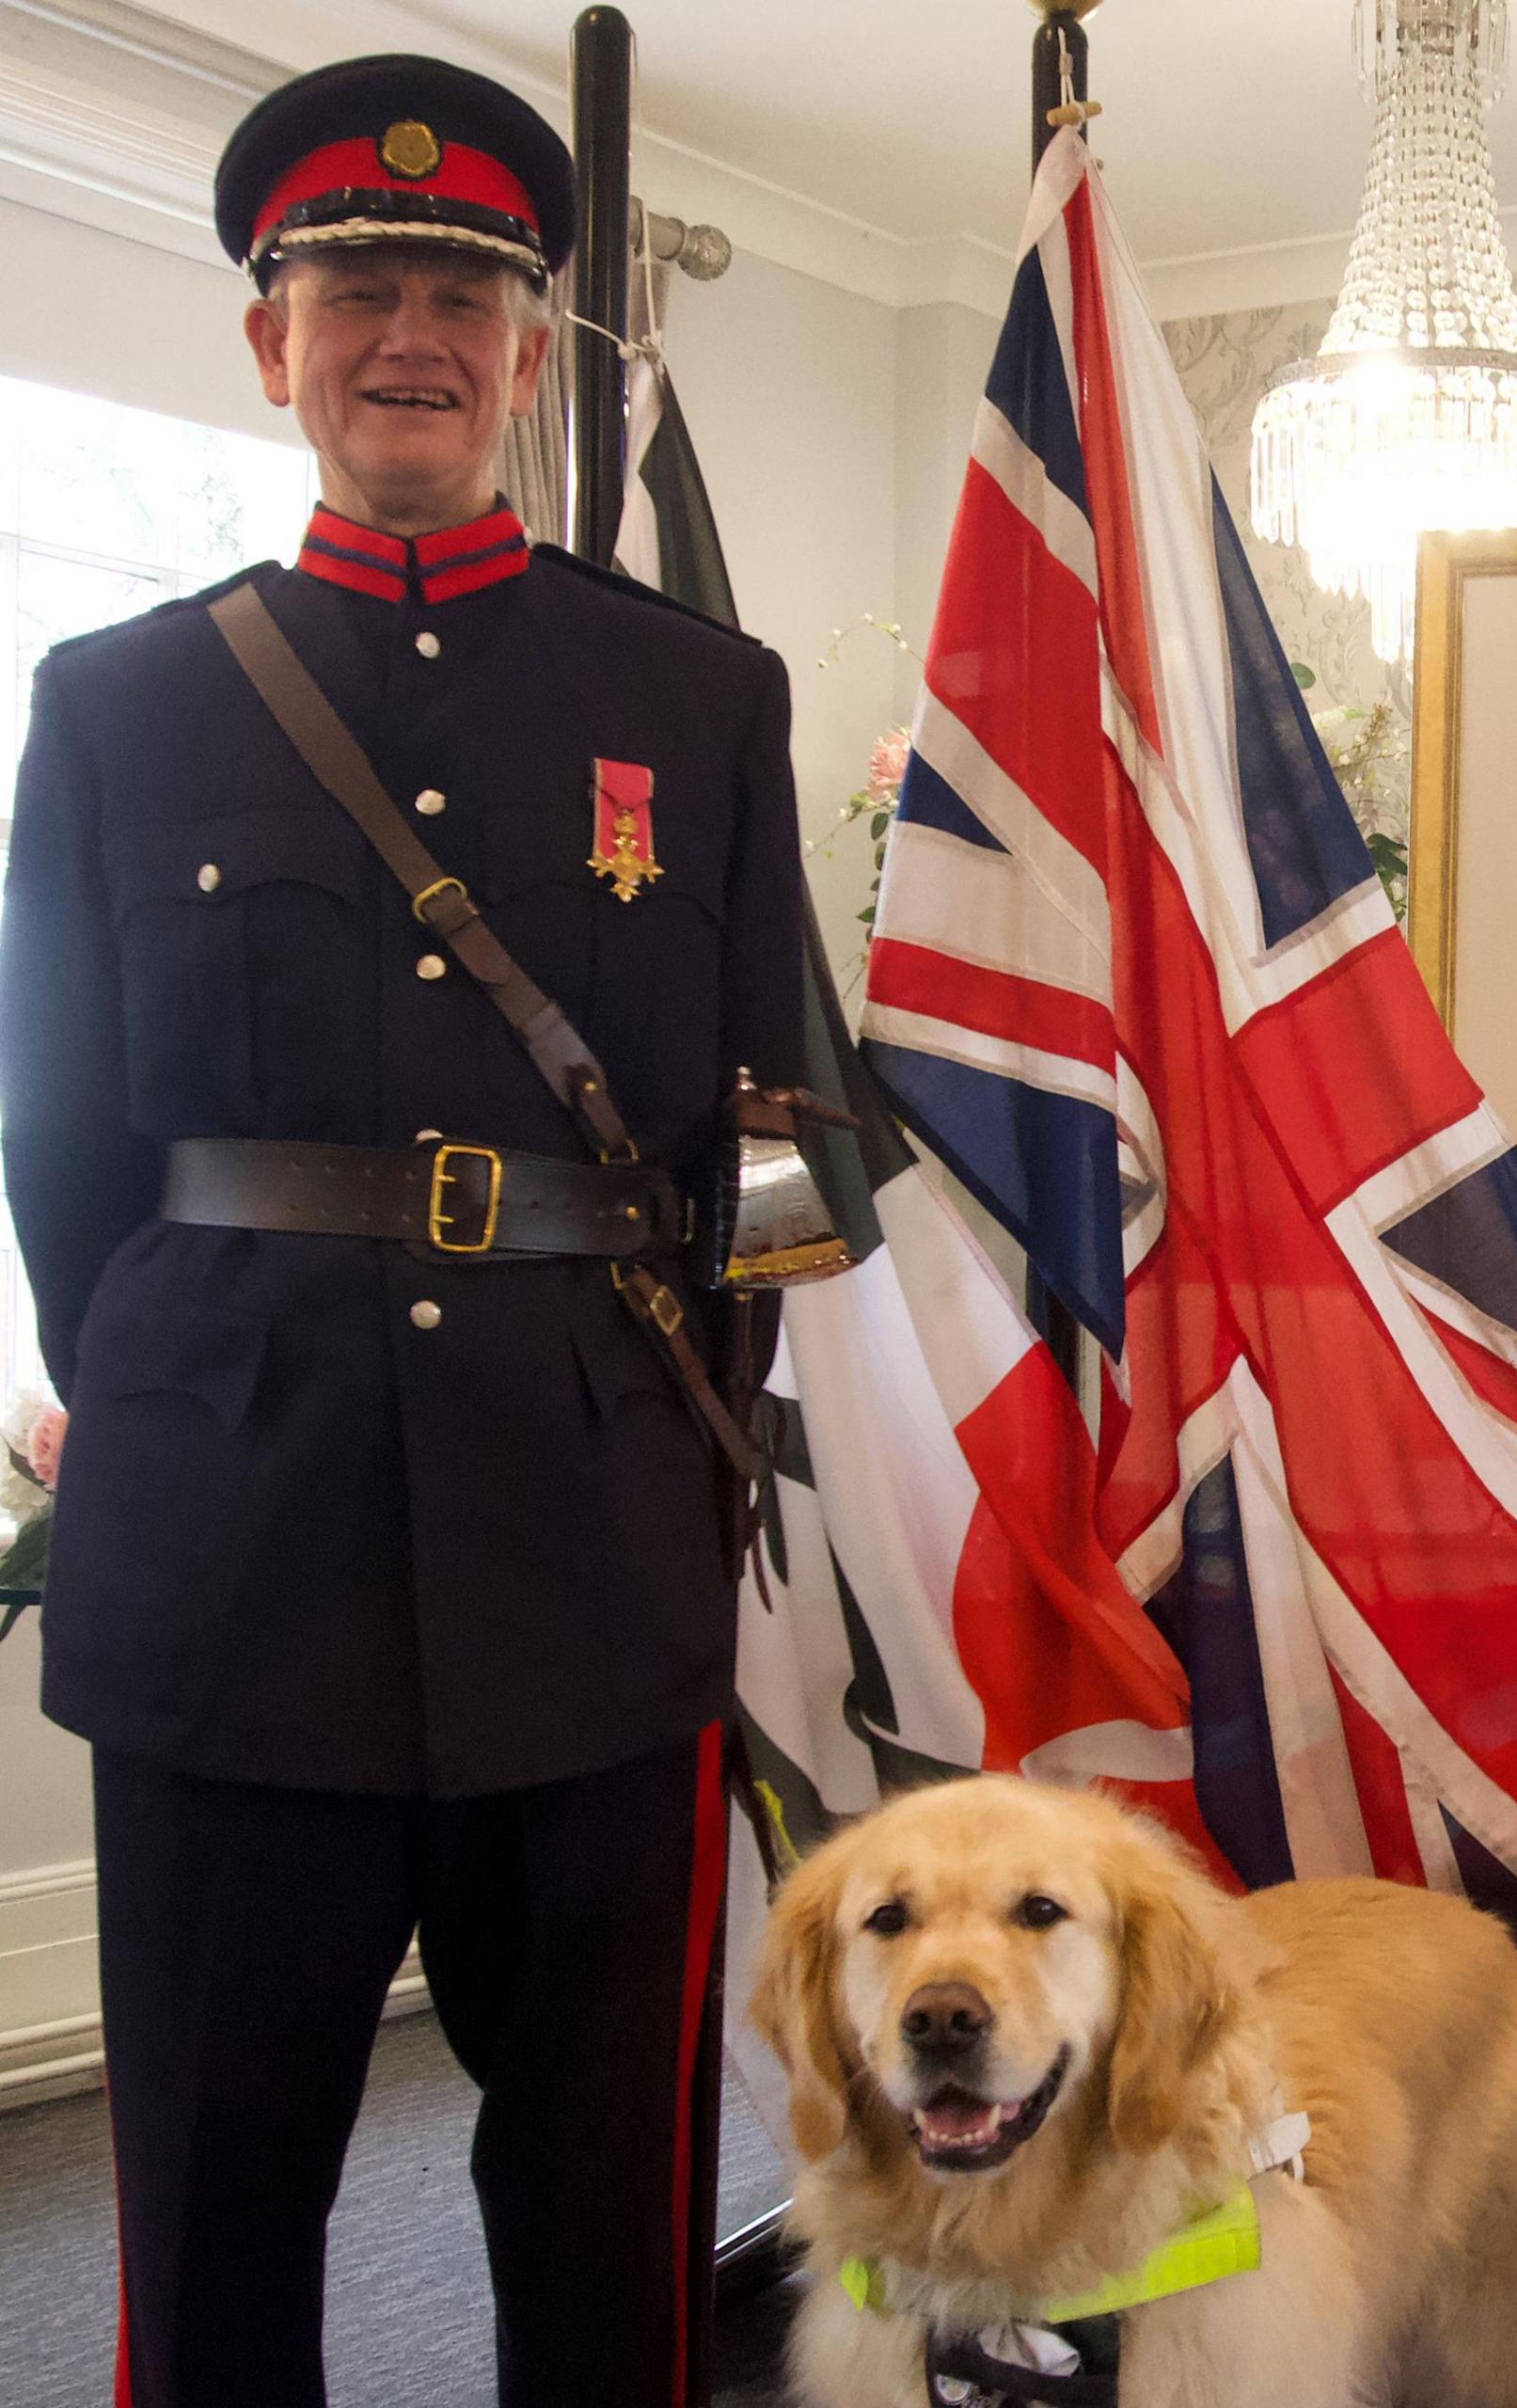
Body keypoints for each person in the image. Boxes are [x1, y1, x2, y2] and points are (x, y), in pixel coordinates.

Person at [0, 54, 812, 2408]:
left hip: (587, 1555)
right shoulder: (123, 700)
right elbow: (67, 1146)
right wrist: (175, 1392)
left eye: (459, 290)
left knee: (602, 2201)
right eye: (356, 287)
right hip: (232, 1553)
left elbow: (758, 1121)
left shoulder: (695, 695)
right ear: (273, 342)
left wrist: (680, 1450)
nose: (410, 335)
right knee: (220, 2191)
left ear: (529, 349)